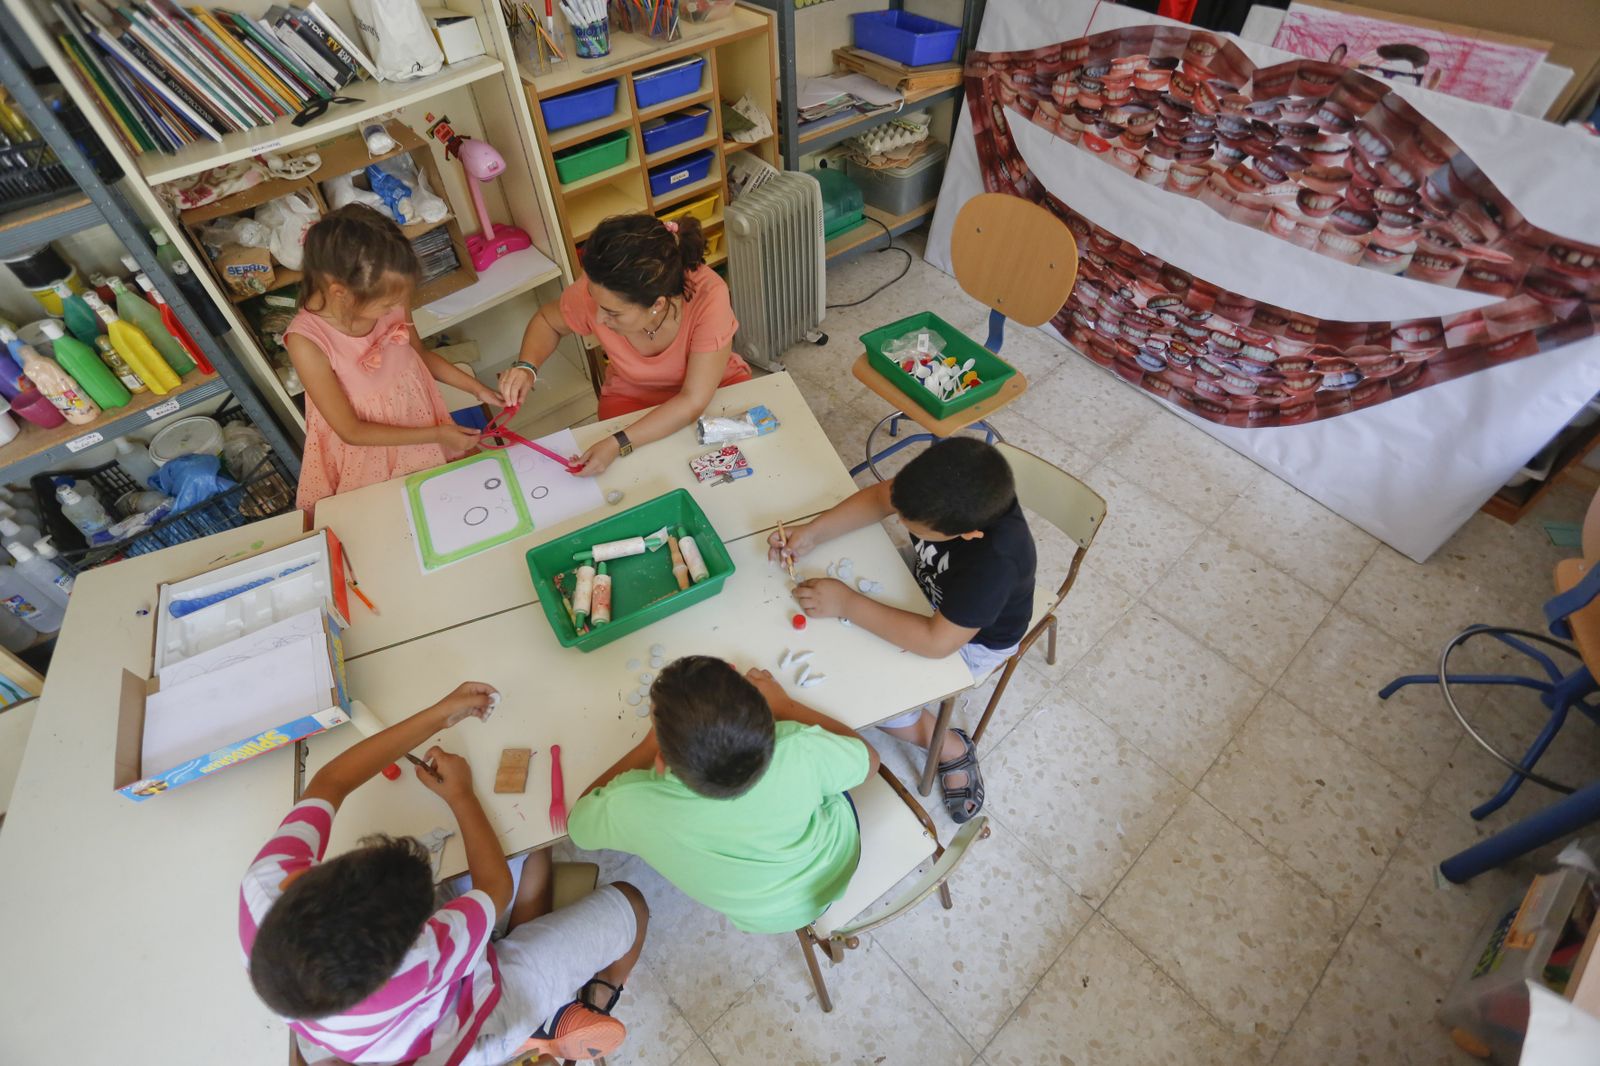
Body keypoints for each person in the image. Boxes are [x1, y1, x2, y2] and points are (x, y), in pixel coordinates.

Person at [240, 682, 650, 1065]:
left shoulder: (264, 886)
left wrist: (440, 714)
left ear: (297, 879)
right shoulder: (420, 961)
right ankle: (577, 1005)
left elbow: (331, 781)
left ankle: (533, 989)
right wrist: (460, 794)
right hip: (469, 1031)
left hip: (379, 1028)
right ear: (418, 933)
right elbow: (495, 888)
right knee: (630, 903)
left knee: (534, 856)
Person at [768, 437, 1037, 823]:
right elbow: (880, 499)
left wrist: (847, 604)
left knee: (882, 702)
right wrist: (812, 533)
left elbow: (936, 641)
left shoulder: (995, 563)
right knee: (846, 649)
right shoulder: (935, 489)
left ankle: (946, 745)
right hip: (928, 594)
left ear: (969, 534)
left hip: (969, 640)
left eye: (914, 527)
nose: (899, 520)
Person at [566, 656, 878, 935]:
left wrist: (651, 745)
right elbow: (871, 762)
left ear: (661, 761)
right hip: (837, 863)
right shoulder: (797, 745)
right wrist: (785, 706)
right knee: (826, 778)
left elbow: (579, 826)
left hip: (765, 918)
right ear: (768, 722)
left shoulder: (632, 803)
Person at [286, 204, 505, 516]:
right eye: (387, 302)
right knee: (392, 516)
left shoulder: (388, 294)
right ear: (341, 293)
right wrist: (437, 435)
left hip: (419, 420)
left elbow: (421, 354)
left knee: (439, 505)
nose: (397, 306)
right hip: (370, 451)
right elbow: (352, 431)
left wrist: (476, 389)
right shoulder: (306, 342)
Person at [499, 213, 748, 477]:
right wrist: (527, 366)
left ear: (658, 305)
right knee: (634, 481)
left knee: (736, 466)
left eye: (612, 313)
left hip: (712, 388)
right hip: (633, 395)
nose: (597, 319)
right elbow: (548, 321)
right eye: (595, 304)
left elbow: (693, 399)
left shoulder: (709, 296)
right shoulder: (599, 292)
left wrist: (618, 442)